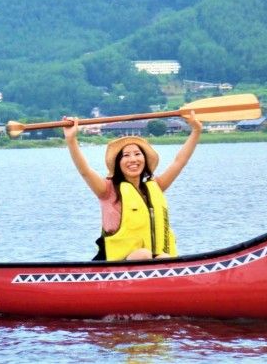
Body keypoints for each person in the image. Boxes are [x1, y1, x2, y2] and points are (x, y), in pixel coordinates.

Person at [63, 111, 203, 261]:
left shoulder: (156, 186)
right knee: (143, 254)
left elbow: (179, 162)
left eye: (137, 154)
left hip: (149, 266)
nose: (133, 159)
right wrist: (71, 140)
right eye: (126, 155)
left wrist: (196, 130)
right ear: (118, 163)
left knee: (164, 257)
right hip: (114, 266)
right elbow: (85, 171)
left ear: (144, 159)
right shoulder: (107, 190)